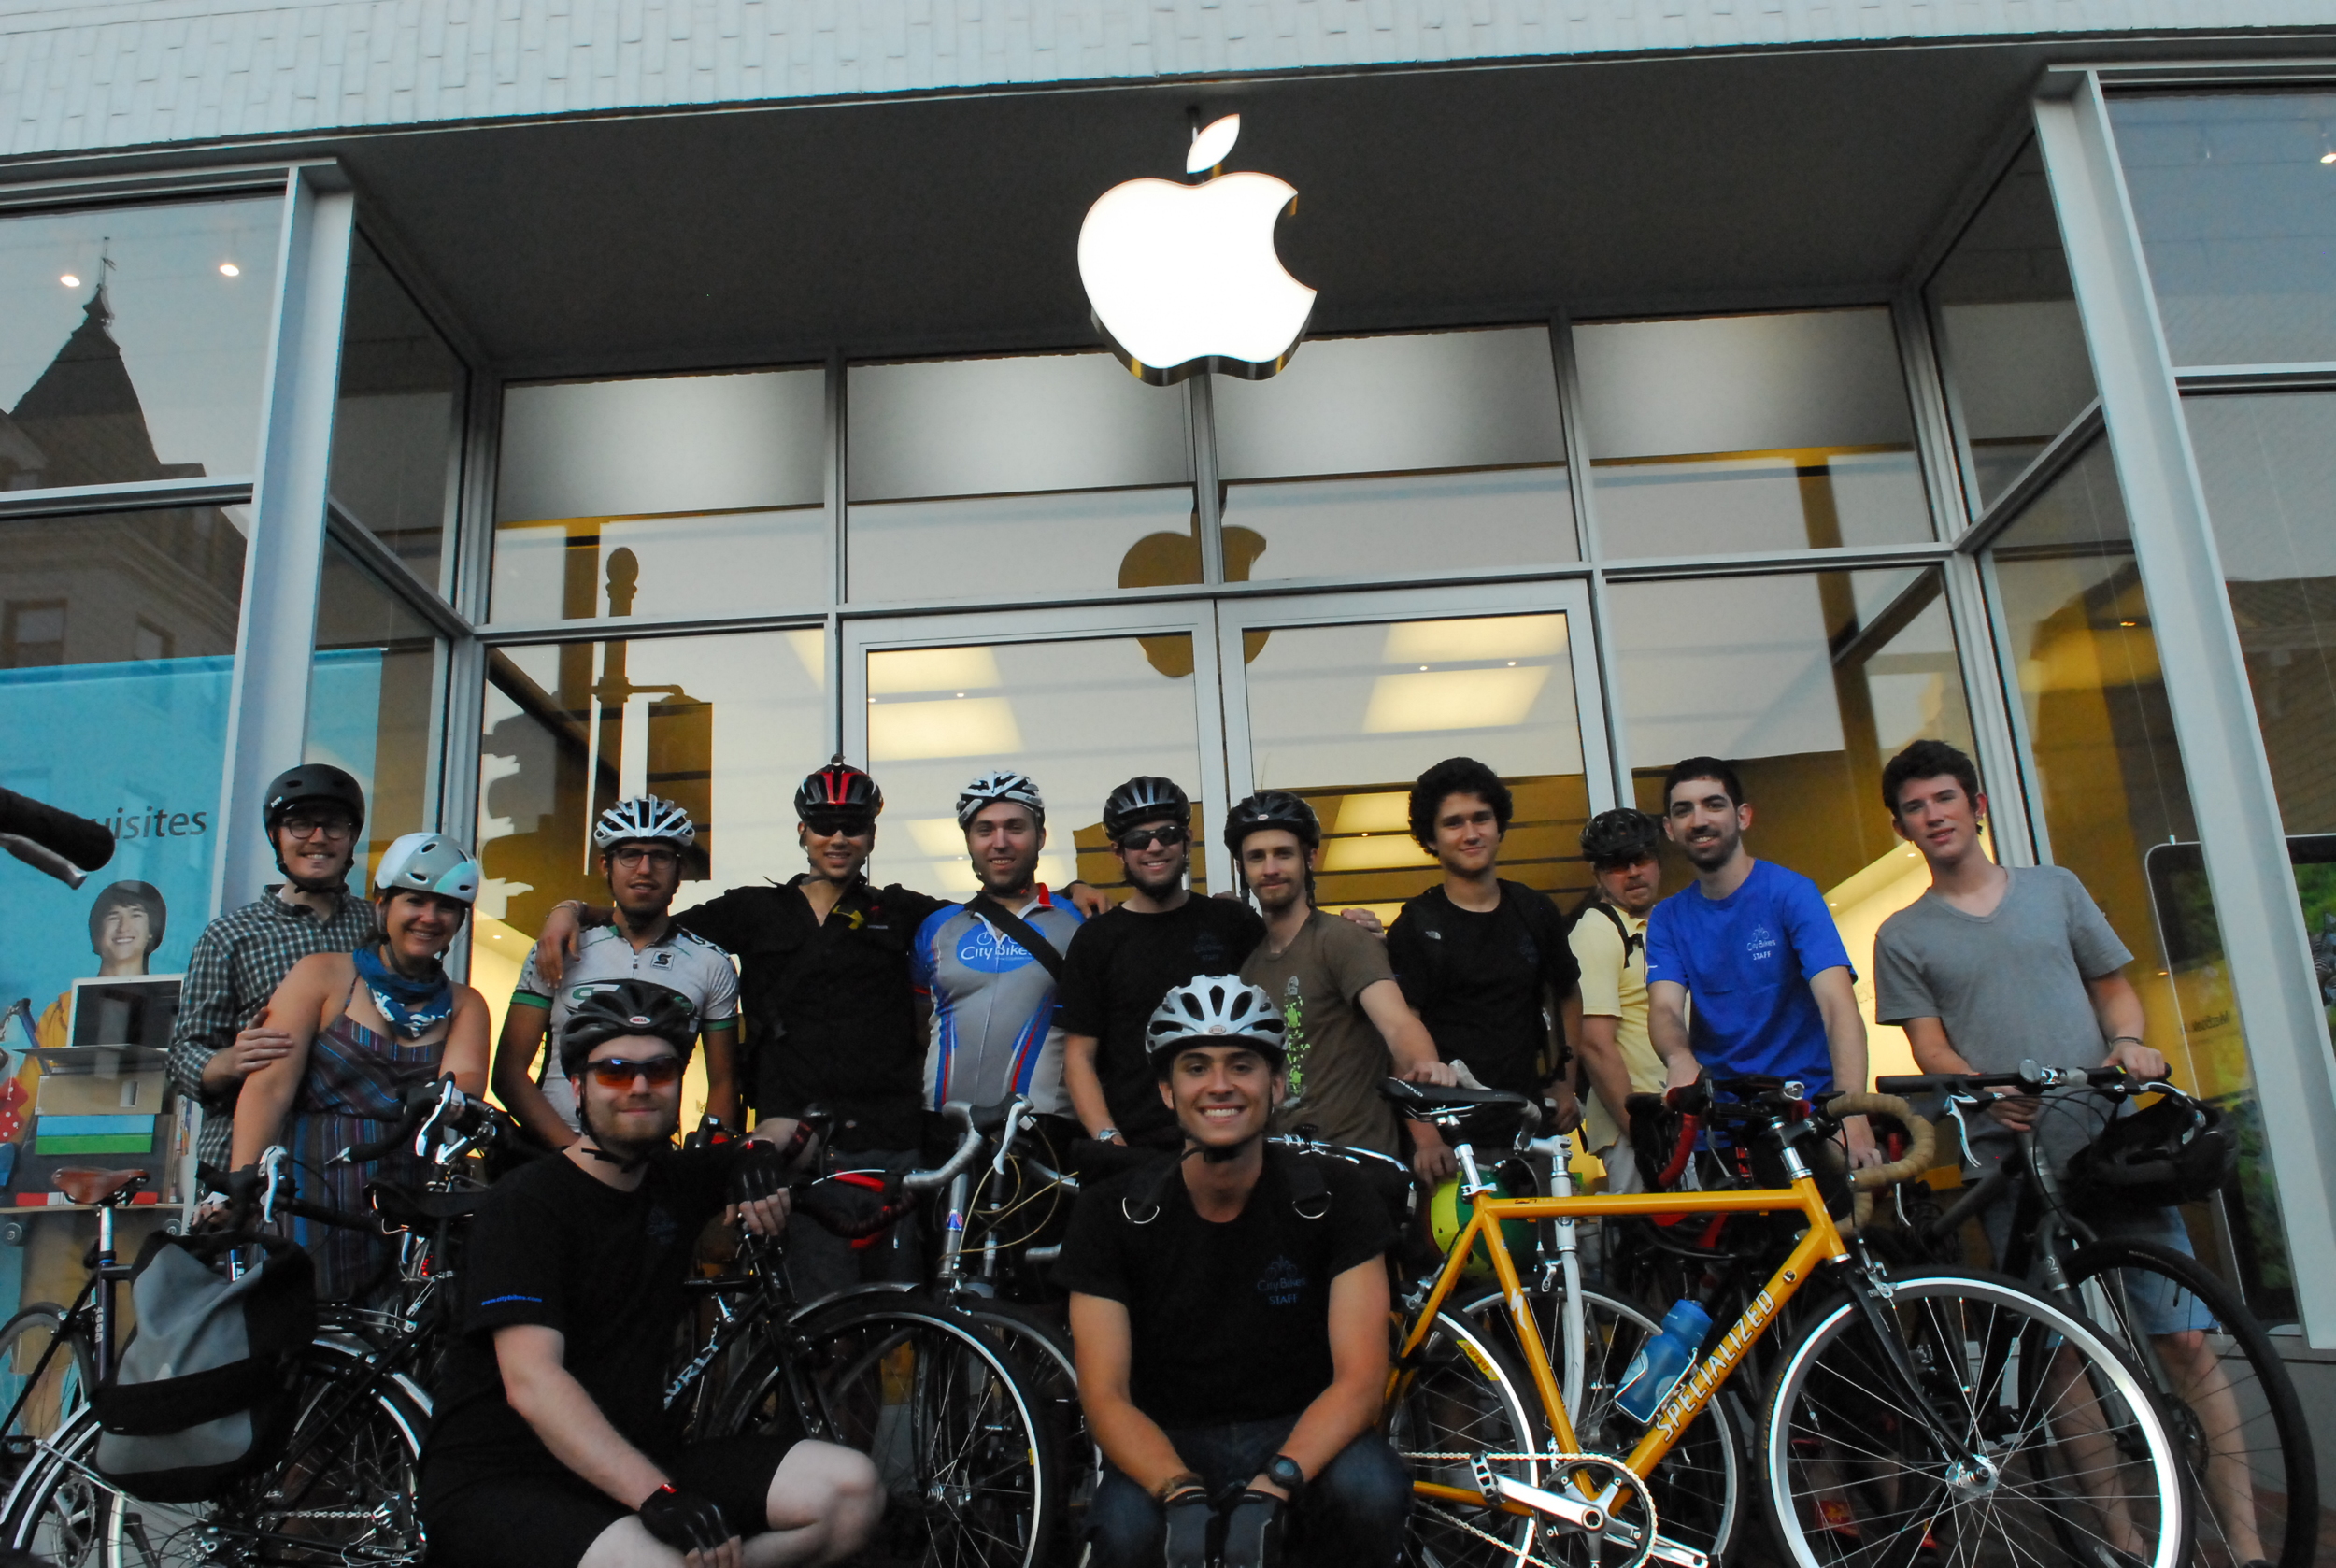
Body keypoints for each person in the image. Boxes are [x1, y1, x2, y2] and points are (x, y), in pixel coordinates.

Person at [1872, 738, 2262, 1564]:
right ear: (1902, 826)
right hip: (2009, 1162)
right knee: (2060, 1363)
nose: (1933, 815)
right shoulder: (1905, 936)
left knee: (2186, 1340)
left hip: (2108, 1142)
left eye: (1945, 798)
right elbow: (1929, 1051)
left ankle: (2253, 1547)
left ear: (1977, 806)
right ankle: (2123, 1548)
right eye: (1915, 807)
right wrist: (1983, 1087)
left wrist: (2128, 1042)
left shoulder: (2055, 890)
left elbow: (2115, 987)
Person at [534, 759, 1104, 1293]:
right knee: (809, 1321)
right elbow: (654, 922)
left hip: (890, 1145)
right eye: (824, 825)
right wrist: (570, 910)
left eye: (853, 826)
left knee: (896, 1306)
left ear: (871, 836)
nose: (838, 838)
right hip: (792, 1148)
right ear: (803, 833)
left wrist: (1074, 897)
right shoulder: (751, 909)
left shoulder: (907, 913)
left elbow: (993, 913)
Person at [419, 980, 881, 1568]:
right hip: (503, 1478)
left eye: (659, 1071)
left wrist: (755, 1153)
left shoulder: (672, 1180)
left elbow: (792, 1133)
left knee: (850, 1493)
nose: (639, 1087)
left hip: (637, 1459)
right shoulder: (526, 1204)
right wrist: (657, 1496)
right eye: (614, 1072)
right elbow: (533, 1384)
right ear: (579, 1089)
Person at [1055, 976, 1410, 1568]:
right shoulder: (1110, 1212)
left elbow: (1360, 1381)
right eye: (1196, 1068)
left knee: (1370, 1493)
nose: (1220, 1086)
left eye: (1242, 1066)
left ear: (1275, 1084)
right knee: (1123, 1535)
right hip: (1166, 1440)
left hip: (1301, 1432)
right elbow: (1105, 1394)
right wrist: (1179, 1490)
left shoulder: (1336, 1196)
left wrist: (1274, 1487)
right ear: (1168, 1092)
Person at [229, 833, 492, 1301]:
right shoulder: (321, 975)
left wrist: (452, 1100)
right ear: (383, 903)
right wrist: (240, 1186)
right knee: (300, 1343)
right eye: (415, 900)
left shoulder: (465, 1004)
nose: (430, 918)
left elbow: (464, 1085)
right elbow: (269, 1089)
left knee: (390, 1342)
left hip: (408, 1204)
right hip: (309, 1195)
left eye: (447, 907)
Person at [1645, 756, 1877, 1167]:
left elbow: (1838, 1005)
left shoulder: (1792, 893)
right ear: (1669, 829)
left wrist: (1850, 1109)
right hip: (1720, 1128)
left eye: (1713, 804)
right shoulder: (1667, 917)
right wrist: (1680, 1058)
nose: (1698, 820)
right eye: (1684, 810)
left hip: (1805, 1115)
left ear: (1743, 816)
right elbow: (1664, 1007)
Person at [169, 764, 378, 1177]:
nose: (318, 838)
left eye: (334, 826)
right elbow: (182, 1057)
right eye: (300, 825)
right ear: (275, 837)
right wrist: (230, 1060)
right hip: (248, 1151)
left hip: (351, 1149)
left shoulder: (377, 926)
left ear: (352, 838)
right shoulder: (230, 935)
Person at [495, 797, 739, 1149]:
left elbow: (724, 1084)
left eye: (660, 856)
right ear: (604, 865)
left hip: (652, 1162)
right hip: (553, 1155)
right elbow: (509, 1072)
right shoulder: (560, 947)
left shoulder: (711, 963)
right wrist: (572, 1153)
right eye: (630, 855)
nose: (644, 869)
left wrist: (702, 1163)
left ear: (680, 870)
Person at [1385, 757, 1582, 1183]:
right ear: (1431, 839)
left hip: (1530, 1129)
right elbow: (1400, 1035)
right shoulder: (1416, 925)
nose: (1471, 833)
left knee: (1548, 1250)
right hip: (1452, 1143)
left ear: (1499, 825)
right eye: (1453, 823)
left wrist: (1565, 1082)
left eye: (1481, 819)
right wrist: (1425, 1140)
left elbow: (1567, 992)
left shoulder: (1534, 910)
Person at [1225, 791, 1452, 1158]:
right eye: (1256, 857)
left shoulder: (1342, 938)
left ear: (1309, 858)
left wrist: (1428, 1082)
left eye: (1283, 853)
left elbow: (1398, 1024)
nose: (1270, 868)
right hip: (1283, 1166)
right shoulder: (1248, 971)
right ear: (1242, 868)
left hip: (1357, 1161)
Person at [1061, 777, 1265, 1150]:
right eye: (1138, 840)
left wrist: (1354, 929)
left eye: (1167, 835)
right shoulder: (1096, 940)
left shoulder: (1232, 923)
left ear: (1187, 840)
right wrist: (1109, 1139)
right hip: (1136, 1148)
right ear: (1118, 852)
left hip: (1232, 1137)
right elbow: (1078, 1055)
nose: (1155, 847)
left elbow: (1296, 961)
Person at [910, 771, 1084, 1122]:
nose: (1000, 842)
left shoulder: (1079, 922)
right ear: (969, 842)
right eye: (985, 830)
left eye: (1015, 828)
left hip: (1044, 1135)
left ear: (1041, 836)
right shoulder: (936, 927)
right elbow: (919, 1029)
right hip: (944, 1132)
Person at [1569, 810, 1670, 1194]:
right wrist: (1641, 1134)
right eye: (1616, 864)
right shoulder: (1598, 930)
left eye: (1641, 858)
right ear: (1598, 874)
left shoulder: (1663, 924)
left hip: (1678, 1116)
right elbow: (1594, 1045)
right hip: (1637, 1124)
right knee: (1648, 1241)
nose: (1632, 872)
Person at [35, 878, 168, 1048]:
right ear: (98, 932)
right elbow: (34, 1075)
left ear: (151, 930)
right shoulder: (60, 1012)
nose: (123, 927)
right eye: (113, 916)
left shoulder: (173, 1009)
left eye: (136, 915)